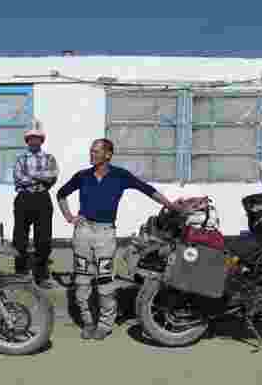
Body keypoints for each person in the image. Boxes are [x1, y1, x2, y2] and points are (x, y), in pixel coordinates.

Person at [56, 138, 183, 340]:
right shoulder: (82, 176)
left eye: (96, 151)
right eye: (91, 151)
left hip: (105, 234)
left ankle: (105, 325)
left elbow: (147, 190)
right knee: (81, 281)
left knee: (105, 280)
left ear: (108, 154)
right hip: (82, 233)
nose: (92, 154)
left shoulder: (120, 176)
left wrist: (171, 205)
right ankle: (88, 322)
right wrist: (70, 217)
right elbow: (61, 194)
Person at [12, 119, 59, 289]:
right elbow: (18, 178)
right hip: (24, 199)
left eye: (37, 138)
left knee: (44, 239)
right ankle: (20, 272)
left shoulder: (50, 158)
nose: (33, 141)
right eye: (30, 138)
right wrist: (40, 176)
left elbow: (52, 176)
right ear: (27, 141)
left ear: (42, 140)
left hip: (42, 199)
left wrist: (31, 176)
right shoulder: (20, 159)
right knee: (19, 238)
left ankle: (41, 275)